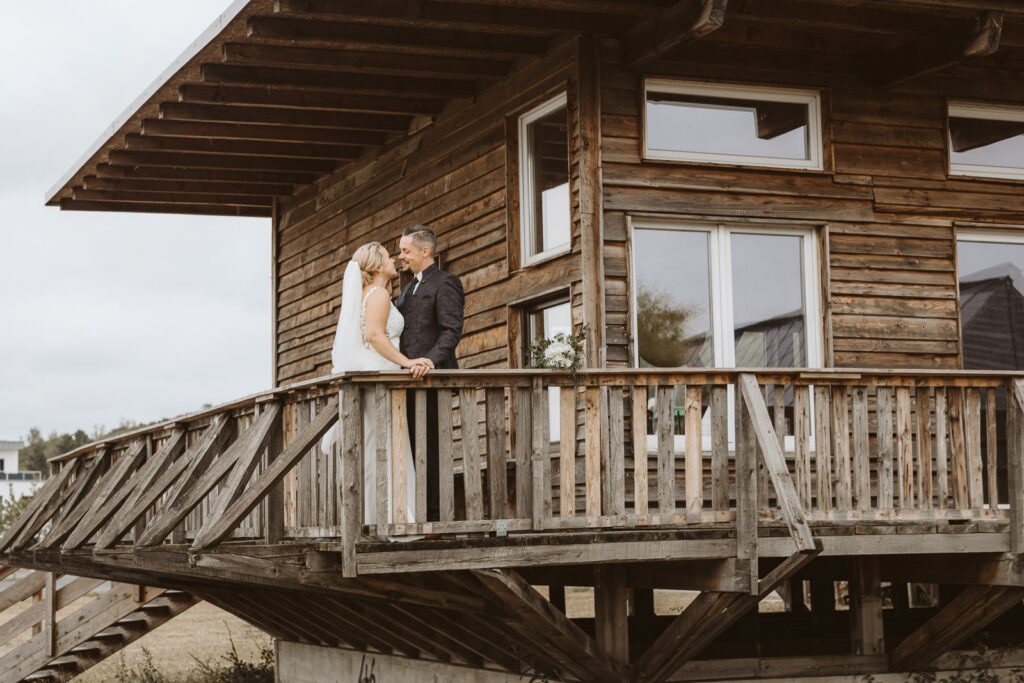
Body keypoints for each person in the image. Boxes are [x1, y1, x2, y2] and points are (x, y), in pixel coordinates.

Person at [321, 242, 432, 532]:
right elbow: (374, 336)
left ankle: (376, 516)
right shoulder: (379, 294)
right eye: (386, 256)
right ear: (375, 266)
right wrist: (407, 363)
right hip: (381, 375)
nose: (393, 259)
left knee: (376, 447)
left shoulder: (367, 295)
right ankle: (392, 517)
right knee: (387, 446)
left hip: (374, 377)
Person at [396, 225, 465, 521]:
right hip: (405, 383)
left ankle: (434, 517)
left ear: (425, 251)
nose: (401, 256)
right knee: (411, 447)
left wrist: (430, 361)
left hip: (433, 380)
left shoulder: (446, 282)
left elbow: (452, 330)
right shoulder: (407, 288)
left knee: (432, 449)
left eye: (405, 251)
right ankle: (416, 511)